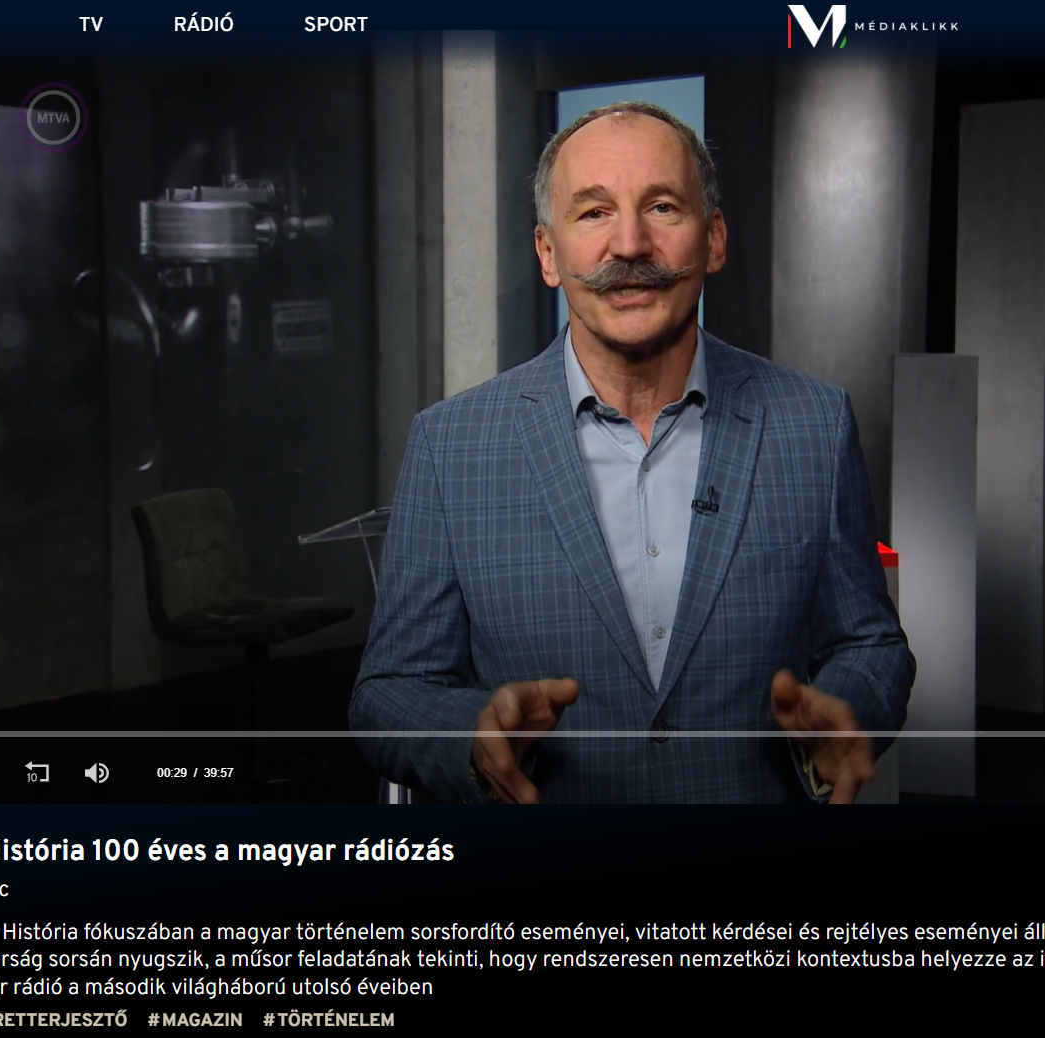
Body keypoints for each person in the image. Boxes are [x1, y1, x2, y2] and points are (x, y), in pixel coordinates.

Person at [350, 100, 914, 804]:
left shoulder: (813, 425)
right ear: (548, 254)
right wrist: (471, 736)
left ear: (713, 240)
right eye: (593, 212)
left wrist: (847, 713)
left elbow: (869, 644)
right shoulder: (450, 446)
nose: (629, 244)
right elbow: (391, 690)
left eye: (663, 207)